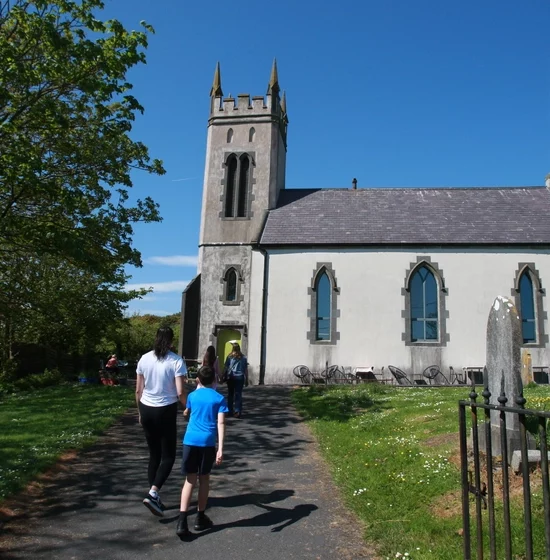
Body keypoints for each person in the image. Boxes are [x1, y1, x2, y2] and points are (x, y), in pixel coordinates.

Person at [136, 327, 187, 517]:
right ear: (172, 340)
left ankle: (153, 496)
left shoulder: (144, 358)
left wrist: (140, 412)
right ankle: (153, 493)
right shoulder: (176, 360)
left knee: (154, 454)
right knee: (168, 456)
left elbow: (138, 389)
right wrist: (186, 408)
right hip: (165, 409)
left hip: (147, 408)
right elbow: (180, 391)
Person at [177, 365, 228, 538]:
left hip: (190, 440)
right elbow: (221, 423)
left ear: (198, 380)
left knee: (189, 480)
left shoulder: (192, 396)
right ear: (214, 379)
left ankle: (182, 521)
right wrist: (220, 448)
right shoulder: (219, 398)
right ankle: (200, 518)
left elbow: (187, 411)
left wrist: (186, 411)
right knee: (204, 478)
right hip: (207, 442)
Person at [223, 343, 248, 418]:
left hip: (231, 377)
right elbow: (245, 369)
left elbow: (226, 367)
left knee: (230, 394)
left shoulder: (230, 357)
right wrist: (246, 378)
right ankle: (237, 411)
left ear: (233, 348)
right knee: (238, 394)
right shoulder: (243, 358)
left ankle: (230, 410)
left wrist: (222, 375)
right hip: (240, 377)